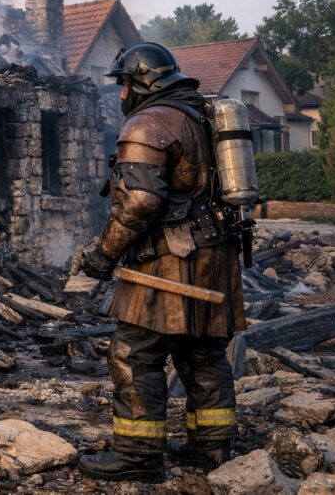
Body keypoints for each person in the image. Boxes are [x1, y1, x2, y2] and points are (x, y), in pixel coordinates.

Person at [76, 42, 246, 482]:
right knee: (203, 353)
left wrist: (102, 256)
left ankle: (138, 454)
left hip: (169, 260)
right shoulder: (200, 116)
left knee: (133, 352)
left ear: (142, 82)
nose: (121, 95)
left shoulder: (148, 124)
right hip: (214, 255)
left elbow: (139, 203)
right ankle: (213, 449)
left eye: (124, 85)